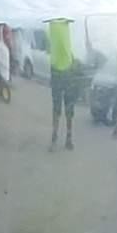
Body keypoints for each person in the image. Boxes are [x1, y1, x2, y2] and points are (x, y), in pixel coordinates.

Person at [47, 15, 81, 149]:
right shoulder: (60, 25)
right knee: (61, 108)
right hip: (61, 72)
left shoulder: (54, 26)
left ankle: (64, 137)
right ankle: (60, 137)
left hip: (62, 72)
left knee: (64, 109)